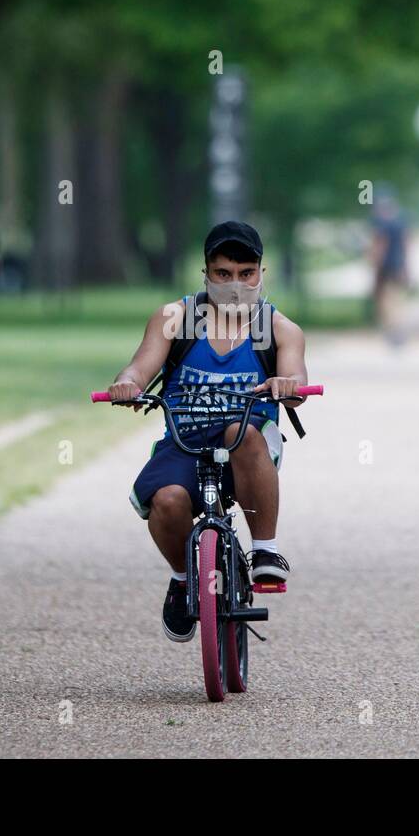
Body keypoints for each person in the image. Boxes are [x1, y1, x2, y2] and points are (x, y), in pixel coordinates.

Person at [106, 221, 310, 642]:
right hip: (186, 441)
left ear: (260, 274)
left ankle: (265, 550)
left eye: (245, 274)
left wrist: (288, 386)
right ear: (205, 274)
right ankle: (183, 579)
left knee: (243, 430)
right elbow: (140, 367)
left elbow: (296, 385)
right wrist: (128, 383)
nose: (235, 285)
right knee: (166, 501)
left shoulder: (278, 329)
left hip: (247, 444)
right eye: (223, 274)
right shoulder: (174, 319)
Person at [368, 186, 410, 345]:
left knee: (384, 299)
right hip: (398, 263)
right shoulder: (401, 221)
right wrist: (406, 265)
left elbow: (380, 245)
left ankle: (391, 328)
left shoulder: (381, 223)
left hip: (385, 265)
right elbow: (407, 243)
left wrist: (375, 262)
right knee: (396, 297)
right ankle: (397, 327)